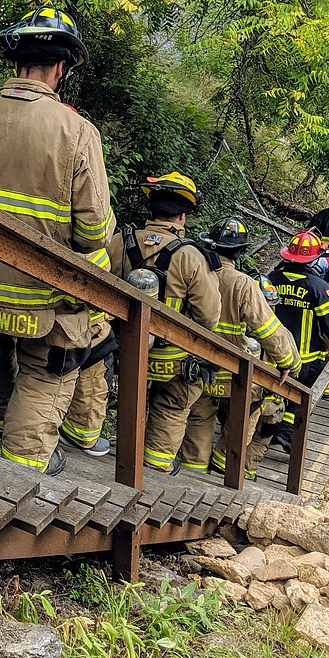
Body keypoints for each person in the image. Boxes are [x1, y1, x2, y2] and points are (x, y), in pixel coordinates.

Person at [0, 7, 115, 476]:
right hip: (44, 298)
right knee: (46, 372)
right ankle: (22, 464)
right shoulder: (77, 132)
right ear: (60, 68)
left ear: (17, 64)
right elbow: (94, 231)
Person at [107, 173, 222, 474]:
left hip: (124, 350)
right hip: (173, 359)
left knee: (129, 401)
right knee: (171, 407)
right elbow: (209, 316)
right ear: (183, 215)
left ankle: (120, 452)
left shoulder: (119, 241)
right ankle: (156, 468)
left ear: (152, 209)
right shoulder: (190, 256)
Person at [180, 217, 301, 475]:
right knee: (246, 415)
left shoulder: (193, 271)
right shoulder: (243, 283)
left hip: (195, 366)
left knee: (199, 420)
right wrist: (290, 362)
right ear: (241, 251)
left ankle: (193, 472)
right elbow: (268, 329)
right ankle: (225, 466)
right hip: (233, 374)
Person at [262, 231, 329, 451]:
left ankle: (272, 429)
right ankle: (286, 431)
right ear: (315, 258)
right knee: (300, 395)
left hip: (272, 352)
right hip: (306, 356)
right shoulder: (318, 287)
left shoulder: (271, 279)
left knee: (272, 390)